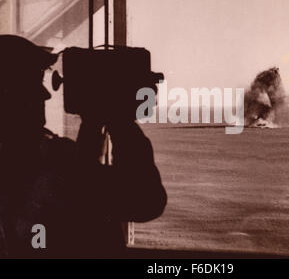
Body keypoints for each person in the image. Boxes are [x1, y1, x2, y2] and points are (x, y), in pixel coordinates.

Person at [0, 35, 167, 258]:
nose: (46, 94)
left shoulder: (38, 155)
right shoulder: (45, 164)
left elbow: (82, 180)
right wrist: (120, 121)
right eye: (32, 82)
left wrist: (94, 120)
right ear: (7, 92)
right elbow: (144, 200)